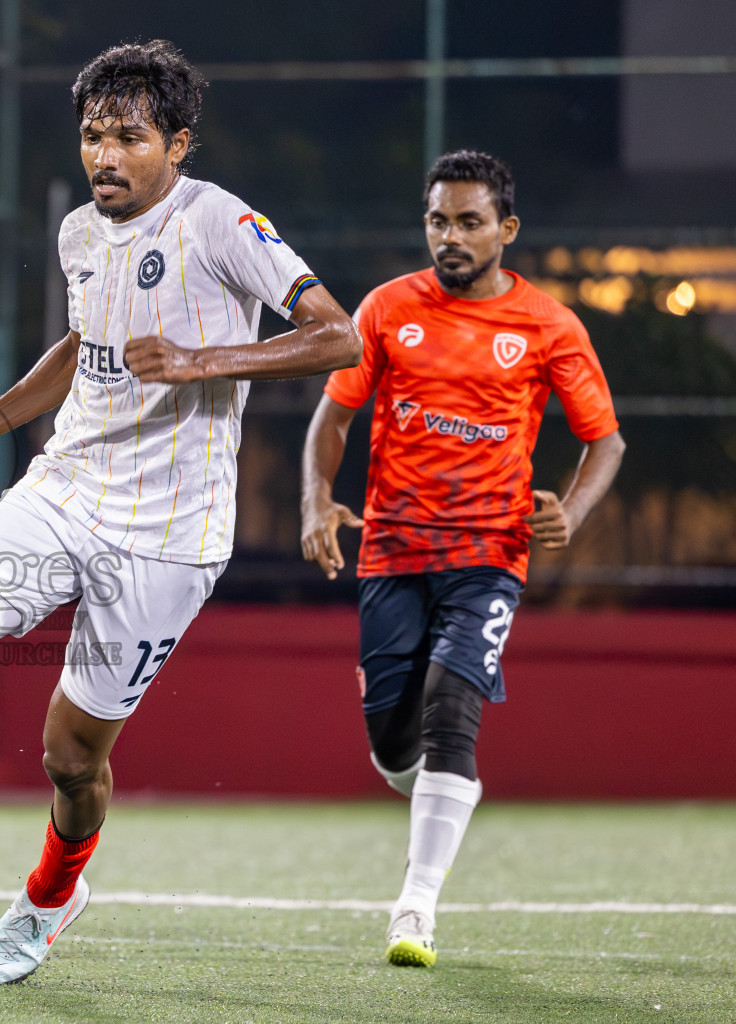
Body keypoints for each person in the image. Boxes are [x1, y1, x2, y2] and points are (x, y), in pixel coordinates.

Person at [0, 39, 360, 986]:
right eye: (93, 134)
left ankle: (53, 895)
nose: (104, 155)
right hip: (64, 490)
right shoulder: (80, 233)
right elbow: (78, 343)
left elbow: (336, 335)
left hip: (170, 538)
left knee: (70, 760)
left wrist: (201, 362)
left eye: (128, 137)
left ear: (176, 144)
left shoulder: (220, 223)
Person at [299, 150, 625, 968]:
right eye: (438, 220)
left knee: (452, 709)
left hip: (490, 554)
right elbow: (333, 419)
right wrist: (314, 499)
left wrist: (571, 515)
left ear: (505, 230)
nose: (450, 235)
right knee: (391, 747)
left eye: (469, 221)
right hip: (391, 552)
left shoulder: (549, 326)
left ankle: (415, 910)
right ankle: (443, 799)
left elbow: (606, 441)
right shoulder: (386, 309)